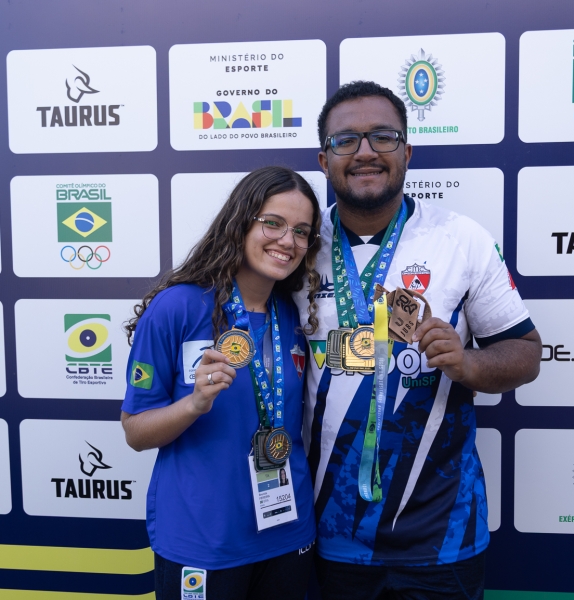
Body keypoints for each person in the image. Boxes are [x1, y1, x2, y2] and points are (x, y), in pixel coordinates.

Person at [293, 81, 542, 600]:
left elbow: (525, 353)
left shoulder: (461, 239)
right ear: (323, 159)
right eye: (346, 140)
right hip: (327, 530)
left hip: (441, 533)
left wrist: (468, 364)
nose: (365, 152)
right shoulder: (296, 249)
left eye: (382, 137)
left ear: (407, 152)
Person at [121, 166, 322, 600]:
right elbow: (136, 432)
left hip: (288, 533)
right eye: (273, 223)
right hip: (203, 540)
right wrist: (193, 404)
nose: (288, 241)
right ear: (240, 221)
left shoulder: (292, 313)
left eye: (301, 231)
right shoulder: (177, 307)